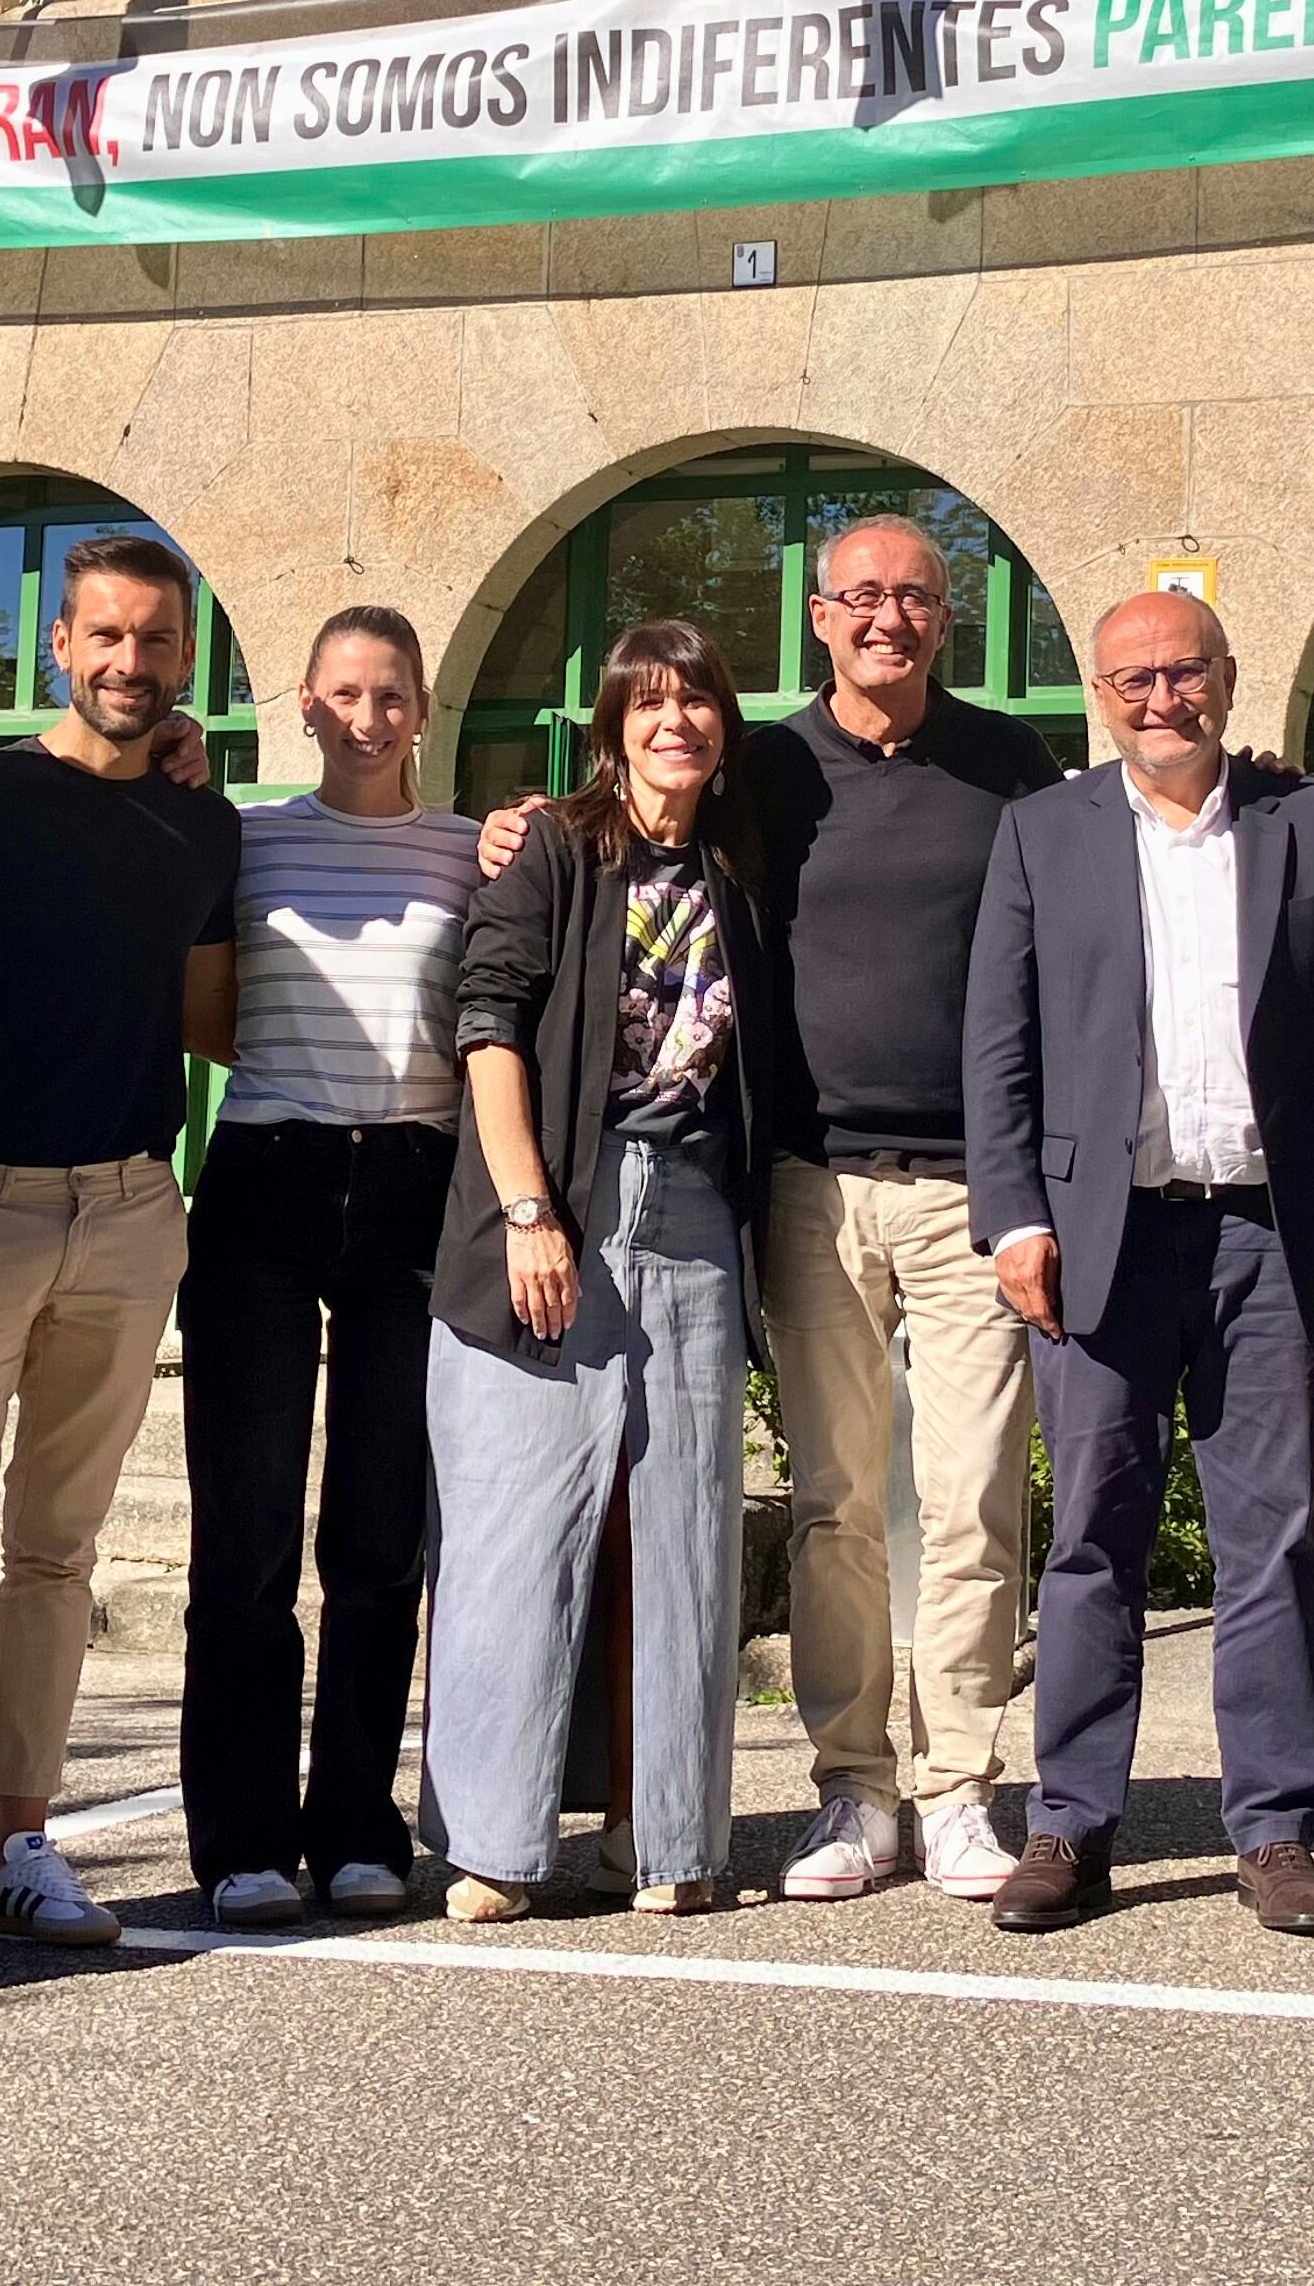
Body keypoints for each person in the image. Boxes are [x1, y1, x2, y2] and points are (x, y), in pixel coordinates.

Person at [474, 514, 1062, 1906]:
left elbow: (1106, 867)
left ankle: (961, 1785)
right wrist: (514, 818)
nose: (887, 619)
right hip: (804, 1183)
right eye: (860, 596)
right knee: (839, 1506)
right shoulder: (771, 768)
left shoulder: (1008, 765)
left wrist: (1260, 778)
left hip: (973, 1186)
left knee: (975, 1497)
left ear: (946, 616)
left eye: (913, 597)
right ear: (818, 616)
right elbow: (634, 823)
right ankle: (856, 1790)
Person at [962, 586, 1314, 1939]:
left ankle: (1274, 1829)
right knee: (1093, 1534)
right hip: (1103, 1237)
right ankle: (1070, 1825)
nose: (1164, 700)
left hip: (1271, 1235)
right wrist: (1014, 1215)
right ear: (1102, 694)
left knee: (1268, 1536)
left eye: (1185, 673)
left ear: (1227, 673)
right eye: (1134, 679)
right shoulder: (1042, 834)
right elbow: (999, 1040)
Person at [0, 533, 242, 1960]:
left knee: (60, 1553)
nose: (132, 665)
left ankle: (20, 1845)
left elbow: (212, 1018)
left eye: (157, 643)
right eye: (107, 639)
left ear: (186, 660)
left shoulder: (207, 823)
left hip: (134, 1210)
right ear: (58, 648)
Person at [425, 619, 781, 1921]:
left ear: (725, 733)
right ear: (614, 724)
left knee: (684, 1546)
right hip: (552, 1208)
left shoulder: (739, 871)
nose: (674, 724)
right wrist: (527, 1208)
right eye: (650, 704)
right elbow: (489, 1019)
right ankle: (493, 1850)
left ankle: (671, 1840)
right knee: (516, 1534)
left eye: (698, 705)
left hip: (692, 1220)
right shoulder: (556, 854)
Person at [179, 605, 480, 1927]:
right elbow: (205, 1013)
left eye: (391, 695)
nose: (368, 717)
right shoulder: (246, 840)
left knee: (377, 1530)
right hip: (265, 1177)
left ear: (421, 709)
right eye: (345, 693)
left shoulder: (475, 853)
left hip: (417, 1188)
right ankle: (242, 1839)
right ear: (303, 703)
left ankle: (361, 1823)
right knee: (243, 1532)